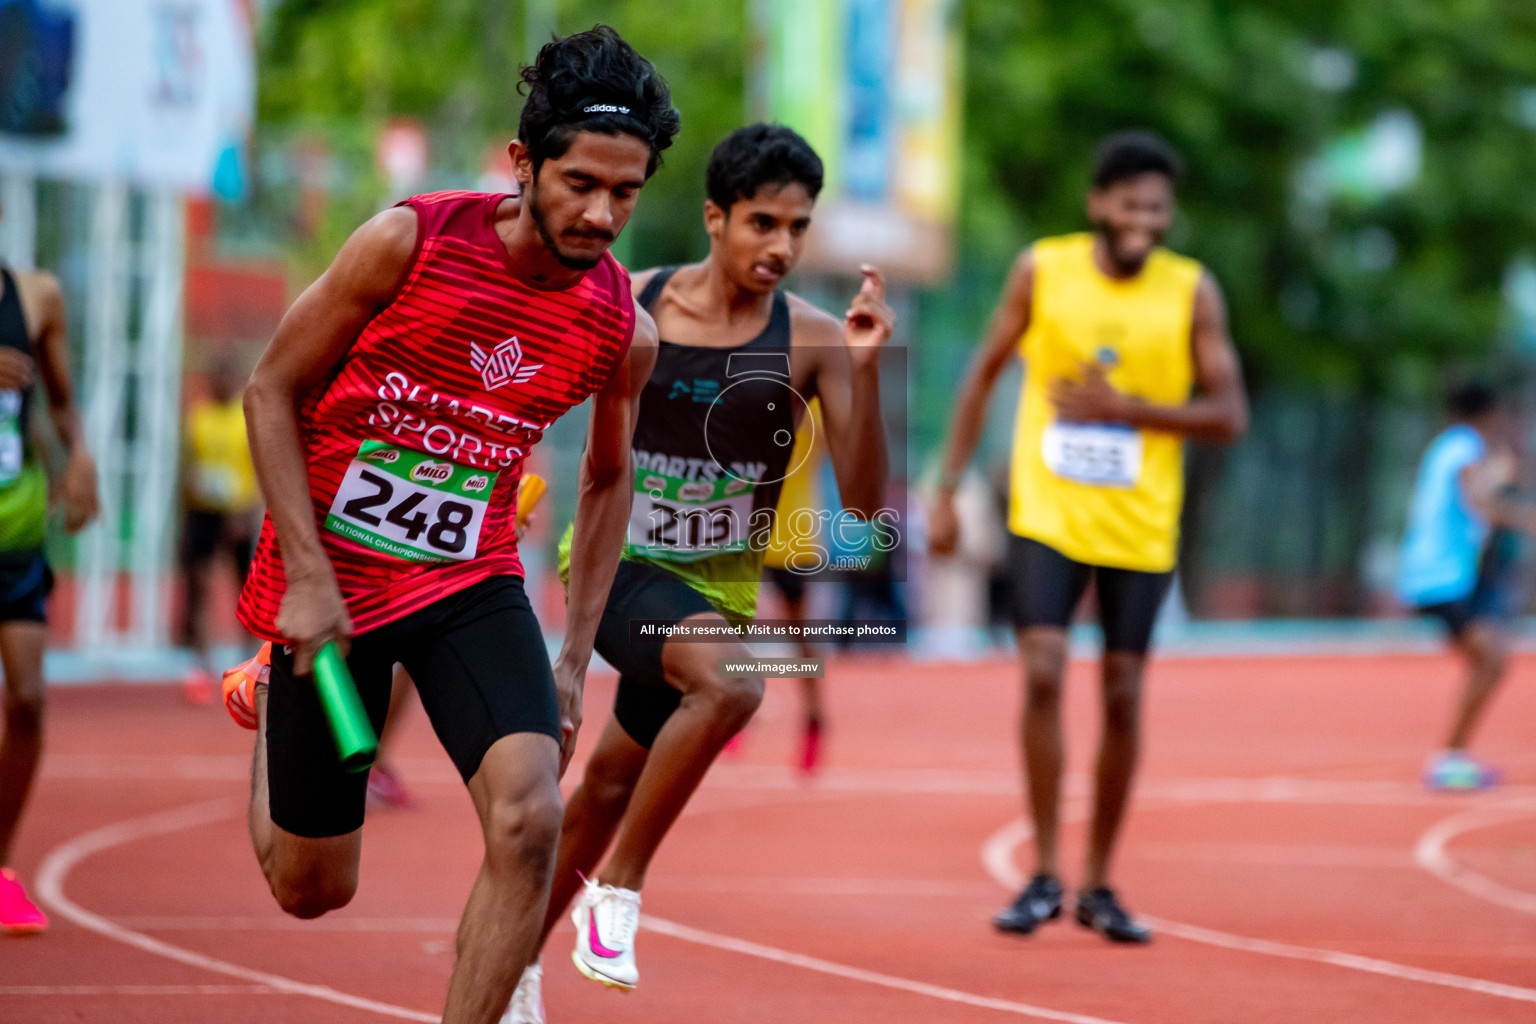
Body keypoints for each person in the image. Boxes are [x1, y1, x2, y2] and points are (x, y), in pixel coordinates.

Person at [232, 28, 673, 1023]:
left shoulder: (618, 327)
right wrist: (303, 578)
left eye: (626, 192)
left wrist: (571, 657)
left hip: (465, 580)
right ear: (523, 164)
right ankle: (273, 690)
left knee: (529, 820)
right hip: (333, 576)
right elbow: (271, 390)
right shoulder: (409, 241)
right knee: (313, 888)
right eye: (579, 182)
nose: (601, 212)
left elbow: (608, 482)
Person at [503, 123, 893, 1022]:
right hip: (619, 570)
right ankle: (620, 895)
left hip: (716, 590)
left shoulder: (817, 339)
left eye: (798, 228)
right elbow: (532, 400)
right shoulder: (633, 303)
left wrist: (862, 374)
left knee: (605, 787)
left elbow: (868, 506)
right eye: (763, 222)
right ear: (715, 218)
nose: (782, 247)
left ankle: (510, 963)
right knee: (740, 681)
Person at [929, 131, 1247, 944]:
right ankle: (1042, 873)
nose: (1145, 219)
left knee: (1122, 691)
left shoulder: (1191, 292)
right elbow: (984, 371)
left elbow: (1228, 414)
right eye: (1132, 203)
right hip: (1049, 510)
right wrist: (946, 489)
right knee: (1041, 670)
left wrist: (1127, 410)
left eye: (1158, 208)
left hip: (1140, 522)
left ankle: (1099, 880)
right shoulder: (1044, 269)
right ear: (1098, 203)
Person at [0, 236, 99, 934]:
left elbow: (61, 401)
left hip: (16, 534)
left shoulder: (35, 296)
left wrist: (81, 457)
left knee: (29, 702)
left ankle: (1, 869)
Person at [1397, 383, 1534, 790]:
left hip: (1437, 575)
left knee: (1489, 660)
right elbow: (1480, 502)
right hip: (1439, 578)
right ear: (1489, 415)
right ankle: (1449, 759)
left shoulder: (1447, 446)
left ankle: (1453, 756)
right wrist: (1526, 517)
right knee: (1491, 661)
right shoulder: (1464, 447)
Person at [179, 356, 259, 703]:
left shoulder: (246, 417)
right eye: (217, 374)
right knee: (198, 584)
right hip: (202, 512)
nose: (222, 381)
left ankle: (249, 665)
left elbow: (259, 466)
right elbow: (187, 466)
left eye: (228, 374)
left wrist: (249, 512)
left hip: (238, 512)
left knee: (246, 591)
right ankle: (200, 666)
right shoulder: (198, 417)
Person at [761, 399, 826, 773]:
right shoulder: (750, 387)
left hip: (794, 537)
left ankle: (814, 717)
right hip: (748, 530)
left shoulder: (815, 403)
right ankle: (732, 714)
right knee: (733, 628)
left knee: (801, 636)